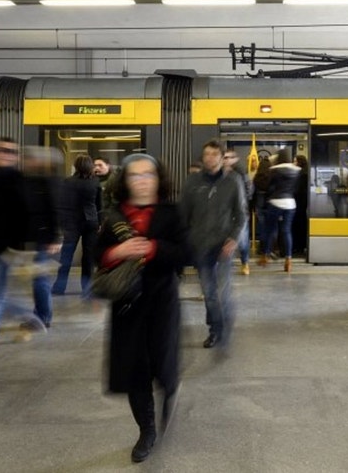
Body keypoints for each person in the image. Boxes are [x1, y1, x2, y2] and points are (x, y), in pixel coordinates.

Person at [96, 153, 186, 463]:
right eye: (135, 175)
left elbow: (185, 254)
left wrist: (153, 248)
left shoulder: (172, 213)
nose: (143, 181)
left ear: (159, 179)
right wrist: (117, 251)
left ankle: (170, 388)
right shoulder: (113, 215)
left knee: (163, 366)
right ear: (125, 181)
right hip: (127, 304)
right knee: (136, 372)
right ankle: (146, 430)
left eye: (149, 174)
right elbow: (95, 257)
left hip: (162, 301)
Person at [0, 140, 61, 362]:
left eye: (12, 152)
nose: (6, 155)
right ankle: (31, 318)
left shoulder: (22, 179)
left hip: (15, 246)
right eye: (2, 150)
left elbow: (40, 209)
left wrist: (50, 237)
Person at [180, 139, 246, 349]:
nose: (209, 158)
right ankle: (215, 330)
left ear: (221, 157)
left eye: (214, 154)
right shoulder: (192, 182)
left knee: (222, 291)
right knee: (209, 293)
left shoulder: (233, 181)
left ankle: (223, 325)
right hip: (200, 246)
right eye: (206, 154)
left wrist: (233, 238)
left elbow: (241, 214)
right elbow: (183, 215)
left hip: (223, 247)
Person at [52, 155, 101, 296]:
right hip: (91, 222)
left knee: (66, 256)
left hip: (72, 222)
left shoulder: (68, 182)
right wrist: (100, 222)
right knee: (88, 257)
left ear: (76, 166)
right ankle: (87, 288)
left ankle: (59, 287)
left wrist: (61, 222)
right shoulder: (95, 182)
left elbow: (63, 203)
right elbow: (99, 205)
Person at [259, 148, 301, 272]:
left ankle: (265, 256)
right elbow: (296, 189)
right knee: (286, 231)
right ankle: (288, 260)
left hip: (276, 202)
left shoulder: (274, 170)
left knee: (270, 230)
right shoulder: (297, 171)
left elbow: (268, 187)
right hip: (290, 203)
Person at [223, 149, 252, 275]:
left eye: (229, 157)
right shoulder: (219, 173)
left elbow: (249, 190)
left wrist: (241, 202)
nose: (226, 160)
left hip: (239, 211)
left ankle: (245, 262)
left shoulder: (241, 173)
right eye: (224, 157)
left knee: (243, 240)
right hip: (224, 212)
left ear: (235, 159)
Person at [292, 155, 309, 256]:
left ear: (299, 162)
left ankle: (298, 247)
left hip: (299, 203)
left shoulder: (301, 174)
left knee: (297, 226)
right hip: (304, 203)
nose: (293, 163)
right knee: (302, 225)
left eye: (295, 161)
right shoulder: (306, 172)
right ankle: (302, 246)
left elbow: (297, 190)